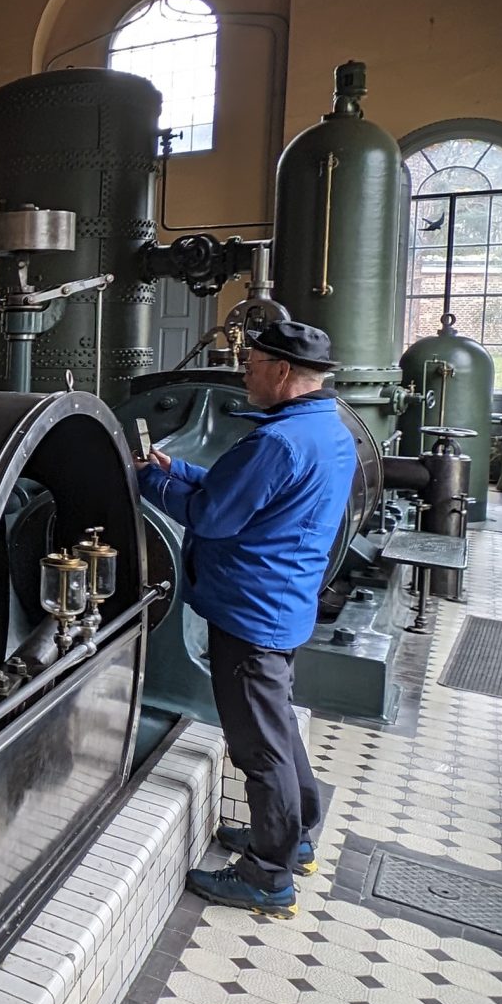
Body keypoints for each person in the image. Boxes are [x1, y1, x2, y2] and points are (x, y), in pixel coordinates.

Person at [138, 320, 351, 915]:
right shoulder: (320, 430)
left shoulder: (278, 441)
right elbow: (244, 491)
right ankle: (295, 834)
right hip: (281, 603)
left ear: (283, 372)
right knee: (277, 725)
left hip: (251, 612)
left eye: (253, 363)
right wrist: (177, 469)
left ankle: (267, 874)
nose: (245, 373)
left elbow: (212, 516)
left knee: (259, 748)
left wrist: (148, 479)